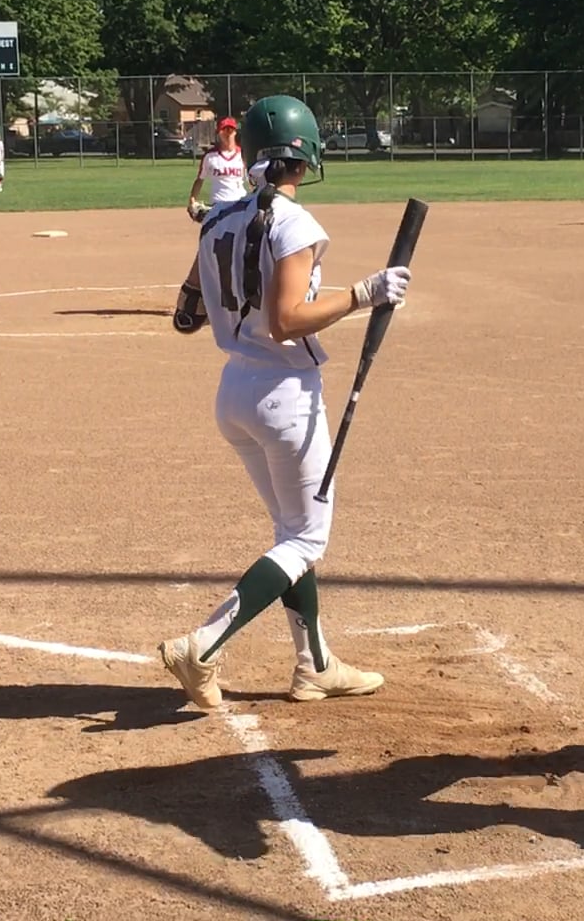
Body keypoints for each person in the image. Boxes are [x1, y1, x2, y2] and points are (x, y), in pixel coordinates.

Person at [158, 94, 412, 707]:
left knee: (291, 534)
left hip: (235, 391)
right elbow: (287, 320)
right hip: (284, 396)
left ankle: (314, 664)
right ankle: (204, 644)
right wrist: (364, 294)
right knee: (305, 539)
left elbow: (187, 314)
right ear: (307, 156)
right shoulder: (294, 224)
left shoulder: (218, 220)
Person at [186, 116, 250, 223]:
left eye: (231, 130)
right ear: (219, 134)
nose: (228, 133)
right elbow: (200, 179)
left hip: (239, 202)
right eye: (224, 130)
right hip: (218, 203)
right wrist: (192, 200)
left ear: (235, 132)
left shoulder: (243, 154)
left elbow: (252, 180)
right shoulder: (210, 156)